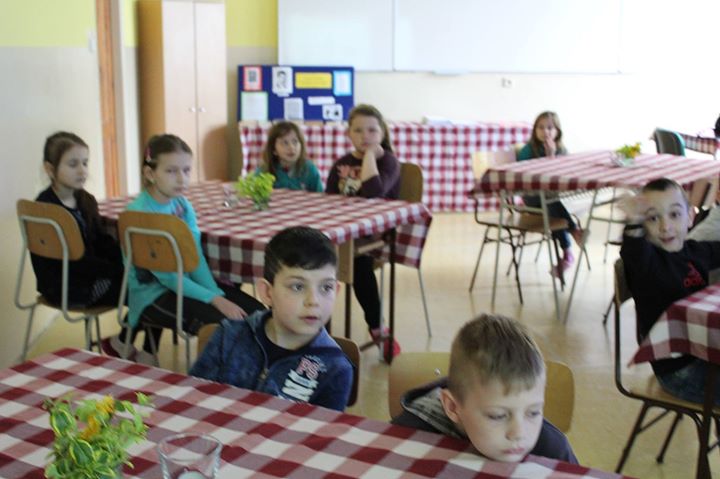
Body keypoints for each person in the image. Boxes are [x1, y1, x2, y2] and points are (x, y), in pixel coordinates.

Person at [102, 134, 264, 363]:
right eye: (171, 171)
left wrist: (216, 293)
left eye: (187, 170)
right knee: (225, 325)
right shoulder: (140, 214)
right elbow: (167, 278)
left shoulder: (182, 206)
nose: (182, 179)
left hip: (183, 286)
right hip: (153, 295)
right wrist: (216, 300)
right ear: (150, 173)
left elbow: (195, 256)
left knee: (259, 314)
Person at [190, 226, 353, 411]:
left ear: (336, 291)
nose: (313, 301)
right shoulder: (228, 336)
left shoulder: (334, 368)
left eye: (326, 288)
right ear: (267, 292)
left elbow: (322, 429)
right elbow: (193, 402)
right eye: (298, 287)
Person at [391, 313, 577, 463]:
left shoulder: (553, 450)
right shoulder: (411, 435)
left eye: (533, 412)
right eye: (498, 416)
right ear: (453, 407)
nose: (519, 433)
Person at [620, 177, 720, 404]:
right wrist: (634, 221)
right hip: (678, 371)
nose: (665, 226)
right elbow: (633, 251)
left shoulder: (695, 251)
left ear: (690, 217)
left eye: (674, 214)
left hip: (704, 354)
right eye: (653, 218)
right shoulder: (647, 263)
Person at [325, 104, 401, 358]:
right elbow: (328, 200)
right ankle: (318, 331)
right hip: (342, 233)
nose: (365, 136)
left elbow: (373, 192)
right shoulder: (341, 164)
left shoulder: (388, 161)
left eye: (371, 130)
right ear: (348, 133)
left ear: (382, 133)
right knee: (314, 259)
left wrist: (369, 156)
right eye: (358, 130)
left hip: (375, 237)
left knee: (357, 263)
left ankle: (377, 327)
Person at [31, 131, 123, 308]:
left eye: (85, 163)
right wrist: (116, 270)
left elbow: (100, 240)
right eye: (73, 164)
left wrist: (122, 260)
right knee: (141, 291)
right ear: (50, 169)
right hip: (68, 289)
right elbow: (72, 263)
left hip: (87, 276)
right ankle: (131, 326)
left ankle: (131, 326)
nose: (82, 170)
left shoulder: (86, 200)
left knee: (144, 283)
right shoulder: (45, 209)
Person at [517, 111, 584, 276]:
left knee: (553, 213)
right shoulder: (527, 150)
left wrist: (554, 155)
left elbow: (564, 176)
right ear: (535, 130)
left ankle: (567, 254)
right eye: (541, 128)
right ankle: (574, 230)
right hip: (531, 198)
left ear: (557, 131)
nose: (545, 132)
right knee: (551, 205)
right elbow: (526, 178)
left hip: (551, 200)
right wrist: (549, 158)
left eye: (549, 128)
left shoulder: (561, 149)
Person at [258, 121, 323, 192]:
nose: (291, 147)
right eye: (285, 143)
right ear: (274, 150)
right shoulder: (264, 171)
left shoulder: (309, 169)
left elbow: (320, 195)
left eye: (295, 142)